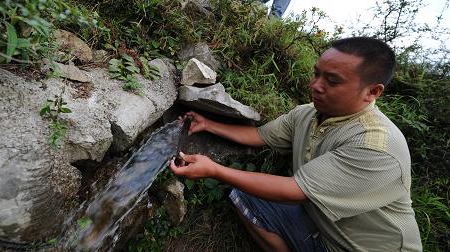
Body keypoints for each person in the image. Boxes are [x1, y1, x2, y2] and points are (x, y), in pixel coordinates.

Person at [170, 37, 422, 251]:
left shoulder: (377, 147)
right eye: (316, 74)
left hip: (360, 246)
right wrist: (209, 124)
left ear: (372, 92)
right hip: (322, 225)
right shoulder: (308, 113)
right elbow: (260, 136)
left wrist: (215, 170)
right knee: (244, 194)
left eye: (332, 81)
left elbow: (294, 192)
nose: (315, 86)